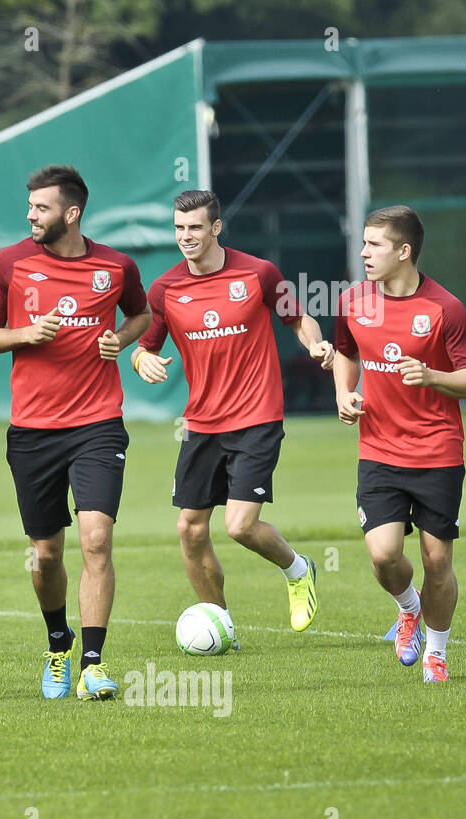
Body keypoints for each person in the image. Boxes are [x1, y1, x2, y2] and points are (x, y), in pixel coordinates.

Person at [0, 165, 150, 701]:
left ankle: (92, 663)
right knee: (47, 553)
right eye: (29, 207)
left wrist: (119, 339)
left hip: (98, 424)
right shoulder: (9, 263)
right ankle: (59, 643)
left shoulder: (116, 266)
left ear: (71, 214)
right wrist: (26, 334)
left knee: (96, 538)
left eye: (41, 208)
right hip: (32, 432)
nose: (30, 216)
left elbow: (142, 316)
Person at [132, 190, 330, 639]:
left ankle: (298, 571)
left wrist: (314, 343)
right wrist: (142, 361)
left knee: (239, 525)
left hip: (257, 416)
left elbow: (298, 319)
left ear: (216, 228)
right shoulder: (164, 289)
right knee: (190, 529)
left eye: (195, 228)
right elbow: (145, 345)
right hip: (200, 423)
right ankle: (220, 626)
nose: (186, 236)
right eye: (179, 228)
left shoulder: (259, 273)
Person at [334, 205, 466, 683]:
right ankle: (407, 608)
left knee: (437, 559)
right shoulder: (355, 302)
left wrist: (433, 376)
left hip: (438, 451)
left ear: (404, 251)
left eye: (374, 244)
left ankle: (436, 654)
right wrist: (344, 393)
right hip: (378, 449)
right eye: (363, 242)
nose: (363, 252)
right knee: (382, 554)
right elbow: (345, 352)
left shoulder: (445, 308)